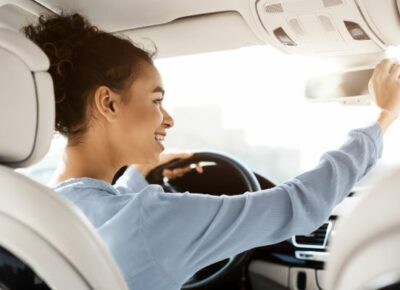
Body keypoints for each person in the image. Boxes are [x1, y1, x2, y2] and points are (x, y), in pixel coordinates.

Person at [25, 13, 400, 290]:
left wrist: (140, 176)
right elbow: (300, 205)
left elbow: (116, 223)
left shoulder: (36, 210)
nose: (167, 119)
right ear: (107, 103)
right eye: (156, 101)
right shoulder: (152, 218)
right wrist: (382, 116)